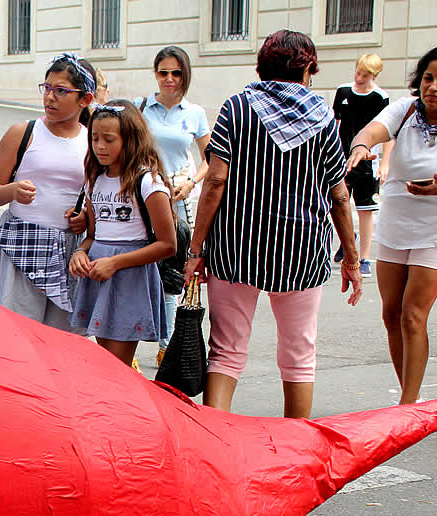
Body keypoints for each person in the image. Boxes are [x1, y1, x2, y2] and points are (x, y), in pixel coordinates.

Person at [184, 30, 362, 419]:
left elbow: (214, 182)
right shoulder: (322, 117)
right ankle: (297, 449)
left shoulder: (236, 108)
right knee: (299, 352)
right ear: (308, 69)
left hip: (236, 247)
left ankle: (218, 440)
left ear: (261, 67)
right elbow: (340, 195)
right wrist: (352, 258)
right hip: (301, 248)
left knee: (227, 349)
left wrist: (196, 251)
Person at [0, 54, 95, 330]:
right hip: (23, 245)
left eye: (61, 91)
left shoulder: (91, 142)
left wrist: (85, 218)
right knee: (17, 331)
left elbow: (96, 199)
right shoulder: (23, 132)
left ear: (85, 100)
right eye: (47, 88)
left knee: (61, 337)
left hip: (68, 251)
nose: (50, 97)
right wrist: (12, 191)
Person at [346, 47, 437, 405]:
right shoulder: (406, 110)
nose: (432, 86)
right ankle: (408, 393)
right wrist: (359, 146)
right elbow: (371, 130)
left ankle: (408, 405)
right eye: (428, 78)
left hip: (433, 231)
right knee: (391, 314)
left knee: (413, 316)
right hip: (396, 223)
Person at [68, 102, 175, 366]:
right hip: (98, 275)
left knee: (117, 367)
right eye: (94, 138)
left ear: (131, 140)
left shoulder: (148, 182)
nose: (100, 146)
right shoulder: (95, 179)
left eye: (109, 139)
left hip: (129, 277)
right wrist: (80, 252)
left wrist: (115, 263)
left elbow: (167, 244)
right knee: (106, 364)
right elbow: (92, 235)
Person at [137, 46, 211, 367]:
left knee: (170, 274)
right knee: (138, 271)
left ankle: (166, 345)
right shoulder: (142, 109)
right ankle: (129, 347)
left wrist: (191, 183)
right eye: (163, 72)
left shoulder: (194, 113)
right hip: (144, 199)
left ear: (185, 76)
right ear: (155, 74)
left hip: (178, 202)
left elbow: (211, 159)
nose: (169, 79)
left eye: (176, 73)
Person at [333, 53, 391, 279]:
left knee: (365, 211)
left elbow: (388, 133)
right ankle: (347, 241)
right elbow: (333, 124)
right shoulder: (344, 92)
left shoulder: (380, 97)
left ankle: (363, 257)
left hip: (368, 162)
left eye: (365, 75)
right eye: (357, 72)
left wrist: (384, 163)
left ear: (374, 76)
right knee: (337, 204)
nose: (359, 78)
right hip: (343, 160)